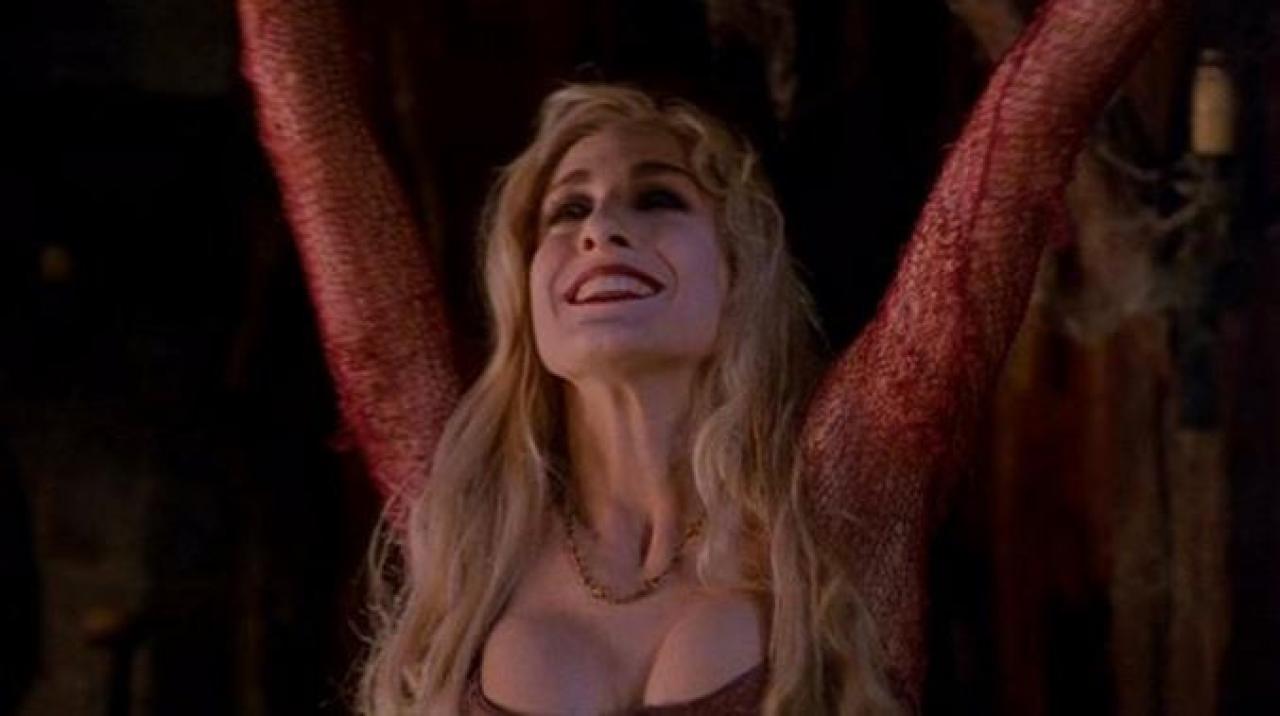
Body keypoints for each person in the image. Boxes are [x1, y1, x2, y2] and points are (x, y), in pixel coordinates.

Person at [237, 0, 1168, 712]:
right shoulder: (470, 511)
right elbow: (308, 121)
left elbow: (1027, 128)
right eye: (568, 208)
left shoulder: (832, 503)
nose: (602, 228)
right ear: (525, 293)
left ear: (739, 273)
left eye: (659, 198)